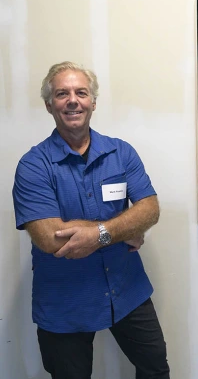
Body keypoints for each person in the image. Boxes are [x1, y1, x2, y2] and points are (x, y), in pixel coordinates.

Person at [12, 62, 170, 379]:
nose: (73, 100)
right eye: (62, 94)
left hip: (127, 291)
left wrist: (99, 233)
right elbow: (50, 238)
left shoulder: (121, 153)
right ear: (49, 105)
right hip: (64, 302)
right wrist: (122, 229)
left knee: (155, 369)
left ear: (93, 102)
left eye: (81, 93)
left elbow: (150, 208)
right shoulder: (33, 166)